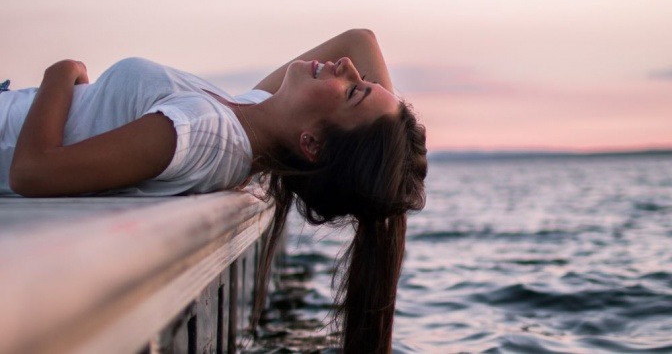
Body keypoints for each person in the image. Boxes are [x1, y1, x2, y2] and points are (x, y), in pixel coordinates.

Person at [1, 28, 427, 352]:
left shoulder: (208, 133)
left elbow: (33, 172)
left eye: (353, 90)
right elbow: (362, 39)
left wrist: (61, 74)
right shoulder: (254, 116)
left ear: (312, 144)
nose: (348, 64)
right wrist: (388, 165)